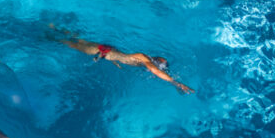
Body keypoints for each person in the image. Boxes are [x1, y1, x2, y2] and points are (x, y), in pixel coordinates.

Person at [59, 33, 194, 94]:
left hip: (106, 50)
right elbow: (156, 71)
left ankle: (56, 28)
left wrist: (113, 60)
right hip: (99, 50)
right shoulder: (143, 59)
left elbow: (119, 55)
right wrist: (175, 83)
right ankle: (51, 36)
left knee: (78, 40)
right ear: (155, 61)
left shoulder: (140, 59)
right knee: (71, 44)